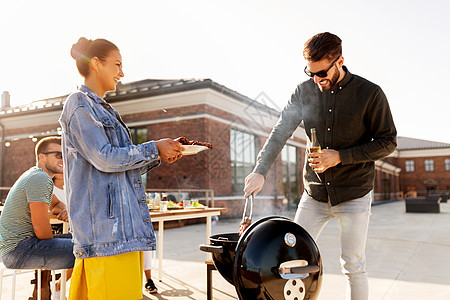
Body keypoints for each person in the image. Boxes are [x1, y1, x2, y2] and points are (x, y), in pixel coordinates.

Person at [243, 32, 396, 300]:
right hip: (314, 194)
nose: (316, 79)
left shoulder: (370, 94)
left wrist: (341, 157)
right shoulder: (303, 92)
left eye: (322, 72)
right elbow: (280, 133)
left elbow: (387, 142)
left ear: (340, 61)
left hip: (354, 194)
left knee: (353, 265)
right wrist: (260, 170)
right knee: (291, 259)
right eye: (310, 72)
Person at [60, 37, 184, 300]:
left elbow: (117, 168)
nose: (122, 72)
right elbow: (104, 158)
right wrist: (153, 148)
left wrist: (159, 155)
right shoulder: (79, 103)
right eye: (117, 64)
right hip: (106, 236)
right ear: (96, 63)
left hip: (122, 234)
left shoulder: (106, 110)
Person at [0, 137, 75, 299]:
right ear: (42, 157)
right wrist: (55, 249)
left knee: (85, 241)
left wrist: (65, 209)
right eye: (58, 154)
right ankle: (66, 291)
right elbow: (41, 230)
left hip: (19, 247)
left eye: (65, 155)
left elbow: (55, 205)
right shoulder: (40, 179)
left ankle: (59, 289)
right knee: (90, 250)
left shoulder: (37, 175)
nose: (63, 159)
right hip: (19, 251)